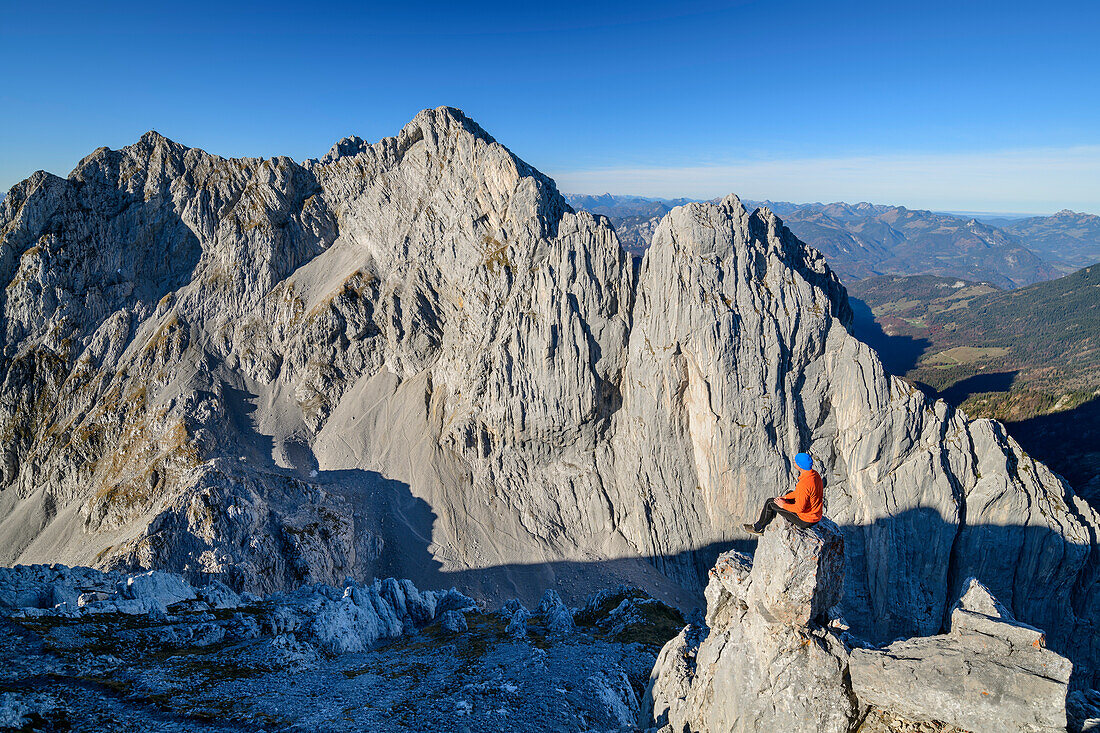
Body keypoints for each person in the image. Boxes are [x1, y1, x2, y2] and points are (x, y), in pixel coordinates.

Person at [742, 452, 823, 535]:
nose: (794, 462)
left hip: (806, 520)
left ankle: (758, 528)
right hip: (816, 515)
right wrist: (785, 497)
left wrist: (783, 505)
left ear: (800, 466)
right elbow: (801, 493)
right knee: (789, 494)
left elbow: (800, 509)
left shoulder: (804, 484)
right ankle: (773, 513)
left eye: (795, 462)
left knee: (770, 502)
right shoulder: (815, 475)